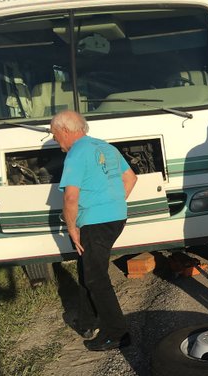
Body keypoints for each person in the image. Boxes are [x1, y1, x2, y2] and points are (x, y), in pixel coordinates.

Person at [50, 110, 138, 351]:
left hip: (94, 222)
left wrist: (71, 228)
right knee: (87, 266)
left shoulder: (77, 153)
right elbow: (131, 178)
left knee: (96, 277)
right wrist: (113, 203)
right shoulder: (105, 147)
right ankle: (87, 321)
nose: (56, 140)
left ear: (65, 130)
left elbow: (70, 197)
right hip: (115, 217)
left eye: (55, 134)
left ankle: (117, 333)